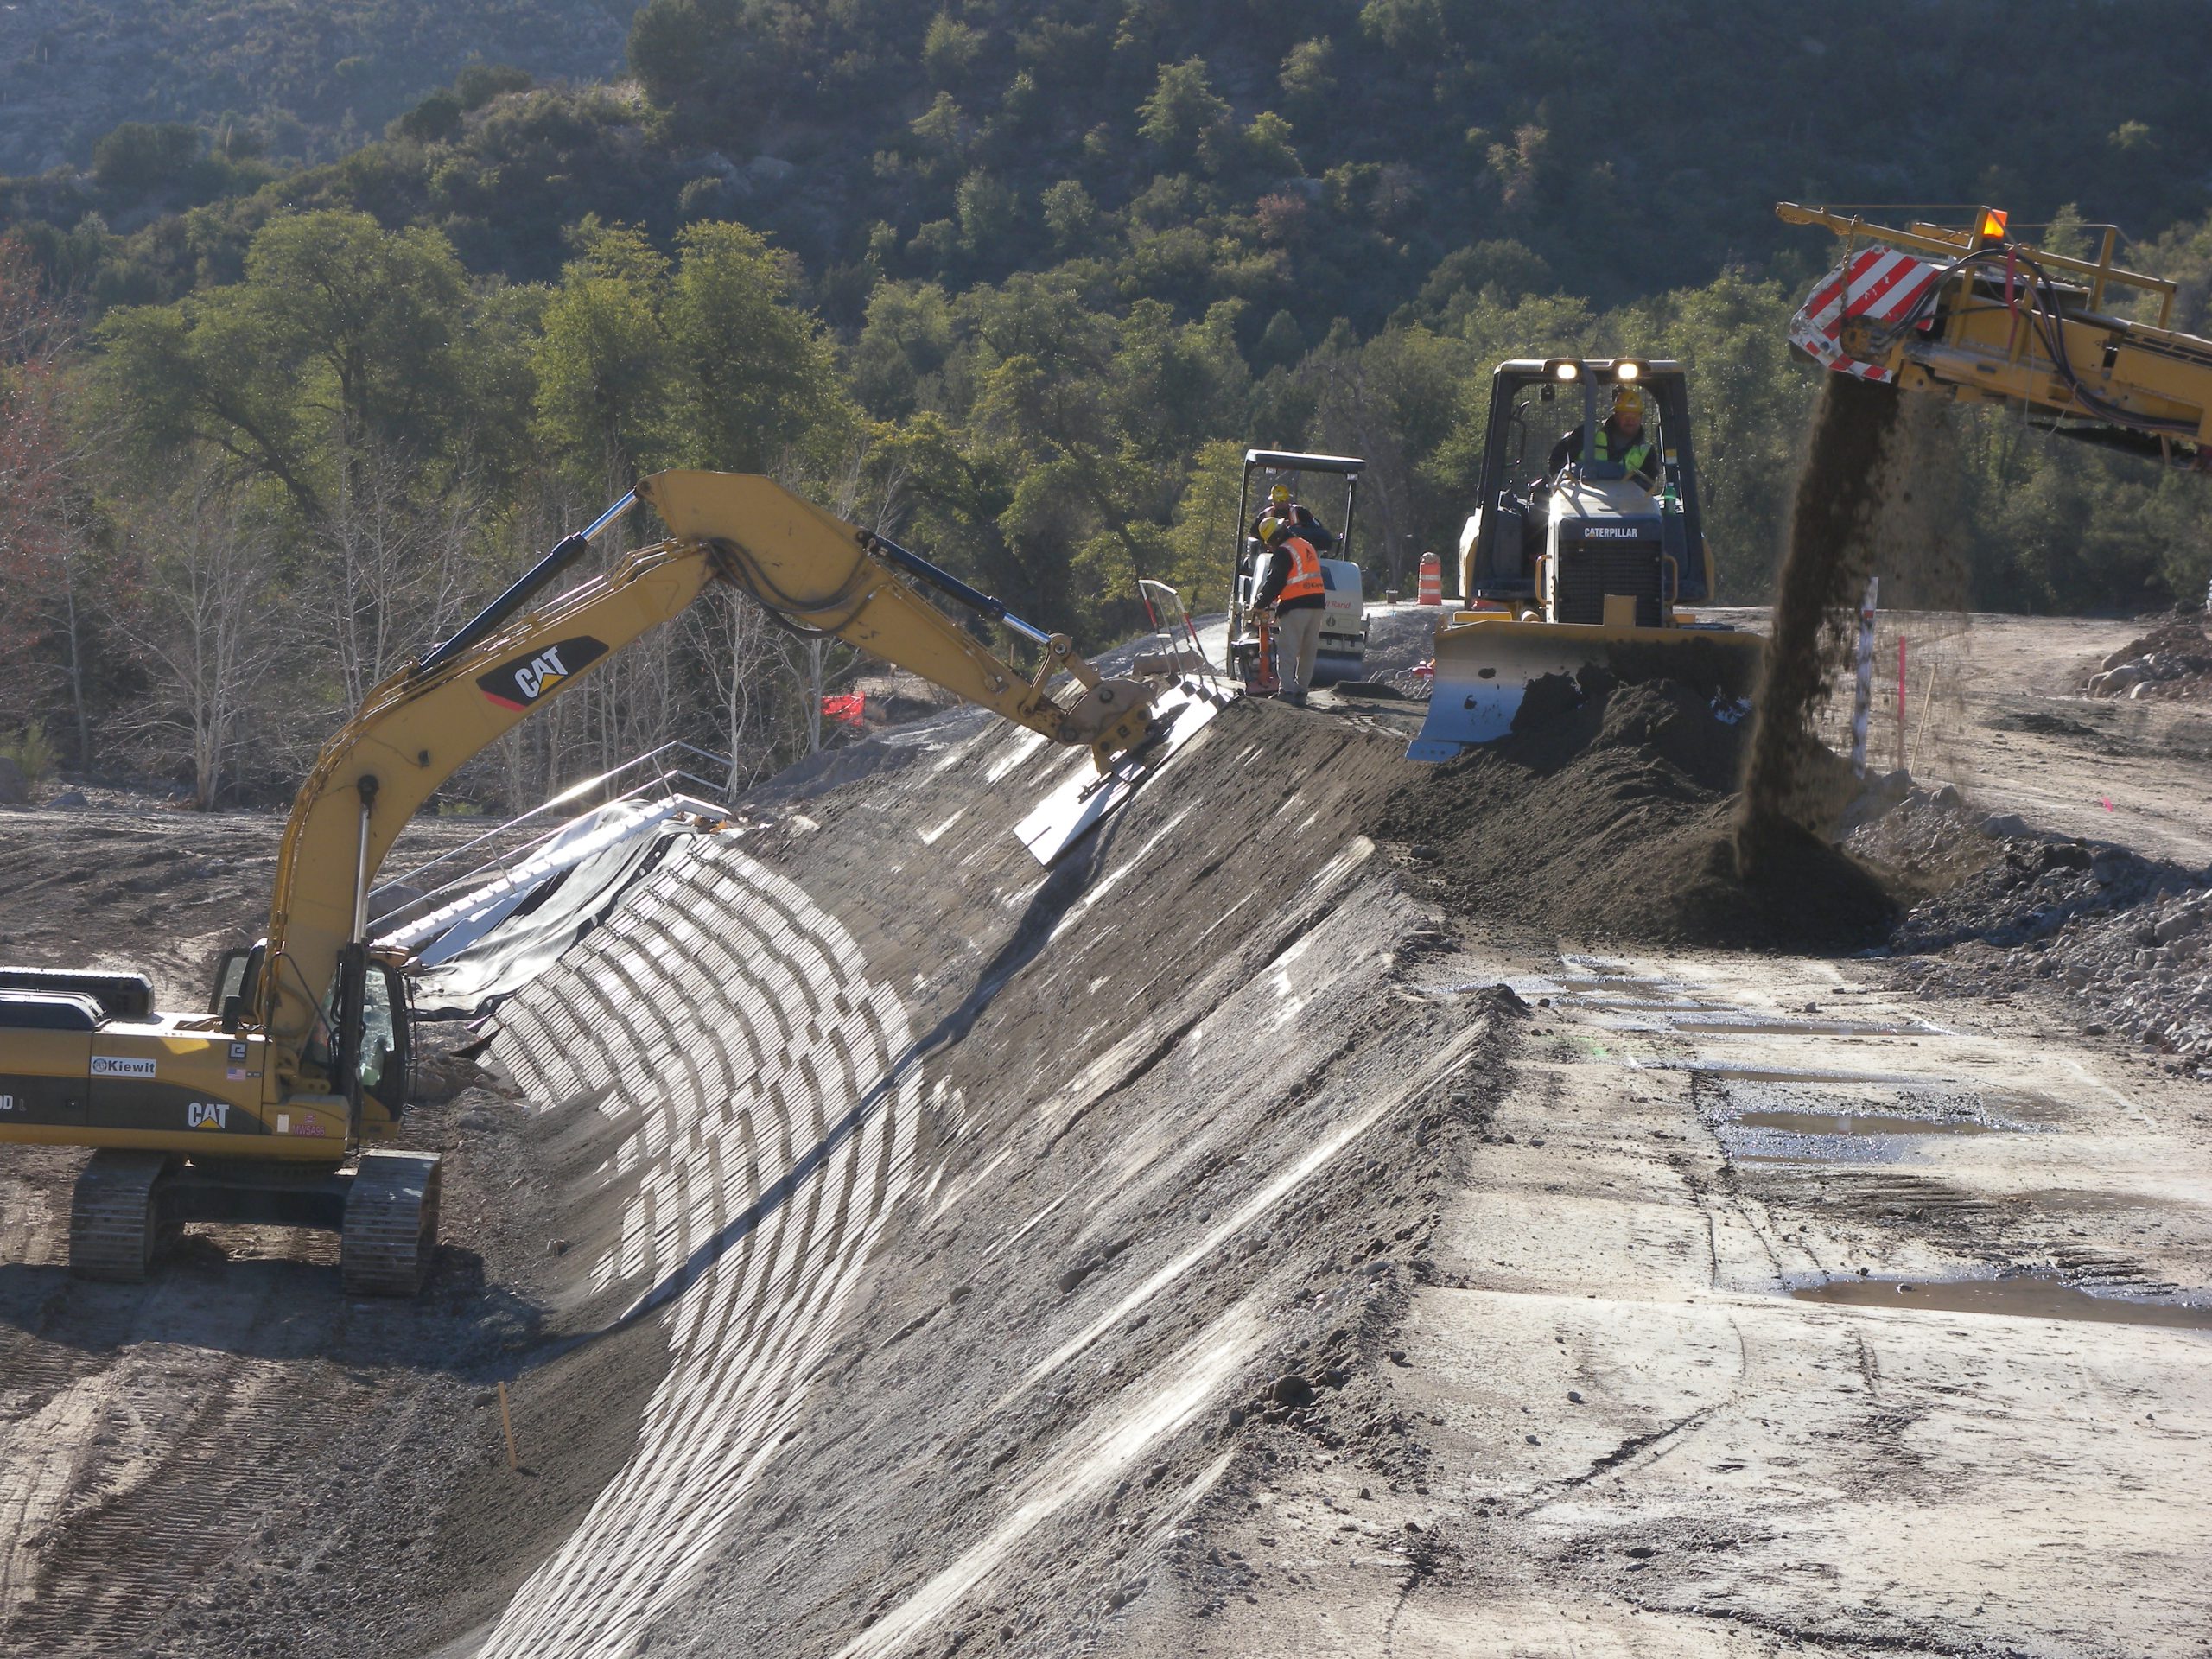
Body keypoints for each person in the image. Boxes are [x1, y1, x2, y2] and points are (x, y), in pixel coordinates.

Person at [1253, 515, 1327, 706]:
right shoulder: (1304, 544)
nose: (1269, 547)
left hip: (1296, 604)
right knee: (1308, 650)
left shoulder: (1284, 552)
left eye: (1268, 543)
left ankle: (1287, 689)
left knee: (1288, 649)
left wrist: (1260, 603)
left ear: (1273, 538)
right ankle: (1301, 690)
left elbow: (1275, 581)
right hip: (1317, 603)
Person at [1547, 385, 1659, 489]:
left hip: (1626, 505)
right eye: (1625, 415)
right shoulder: (1587, 434)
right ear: (1616, 415)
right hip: (1580, 499)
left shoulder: (1646, 452)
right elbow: (1557, 460)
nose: (1630, 420)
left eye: (1635, 415)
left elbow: (1646, 488)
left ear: (1641, 417)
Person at [1249, 480, 1337, 552]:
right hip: (1270, 556)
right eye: (1276, 501)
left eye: (1282, 500)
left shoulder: (1301, 513)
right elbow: (1254, 535)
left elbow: (1316, 531)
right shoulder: (1264, 516)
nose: (1279, 504)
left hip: (1298, 553)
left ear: (1288, 499)